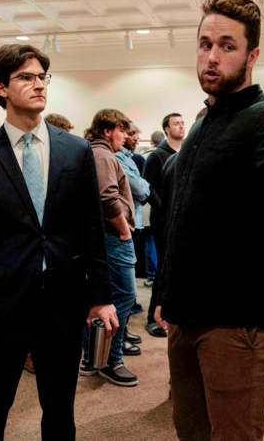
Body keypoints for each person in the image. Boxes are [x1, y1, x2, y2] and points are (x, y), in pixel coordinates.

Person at [154, 0, 264, 440]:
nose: (212, 56)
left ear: (252, 55)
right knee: (190, 432)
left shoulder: (260, 119)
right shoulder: (202, 122)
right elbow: (180, 220)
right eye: (205, 43)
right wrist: (165, 296)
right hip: (185, 318)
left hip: (236, 325)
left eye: (227, 46)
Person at [0, 44, 117, 440]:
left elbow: (91, 230)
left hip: (62, 301)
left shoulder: (75, 150)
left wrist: (100, 296)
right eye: (26, 77)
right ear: (1, 88)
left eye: (43, 76)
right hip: (0, 307)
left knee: (60, 409)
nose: (39, 84)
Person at [81, 109, 140, 386]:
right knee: (123, 297)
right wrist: (124, 229)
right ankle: (109, 360)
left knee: (105, 298)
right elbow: (108, 197)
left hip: (107, 237)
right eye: (122, 130)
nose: (125, 136)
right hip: (113, 237)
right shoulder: (103, 155)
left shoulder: (94, 153)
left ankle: (94, 357)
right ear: (107, 130)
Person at [143, 112, 185, 336]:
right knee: (162, 269)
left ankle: (170, 314)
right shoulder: (156, 156)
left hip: (180, 220)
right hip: (162, 221)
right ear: (166, 129)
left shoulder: (187, 152)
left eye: (182, 123)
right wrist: (165, 207)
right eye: (176, 123)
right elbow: (147, 188)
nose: (180, 126)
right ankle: (153, 317)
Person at [115, 125, 151, 353]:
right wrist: (144, 187)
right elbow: (140, 188)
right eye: (130, 134)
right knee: (123, 289)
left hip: (132, 222)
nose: (135, 138)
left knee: (126, 289)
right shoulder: (117, 158)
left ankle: (123, 331)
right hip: (123, 226)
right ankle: (115, 344)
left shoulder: (127, 157)